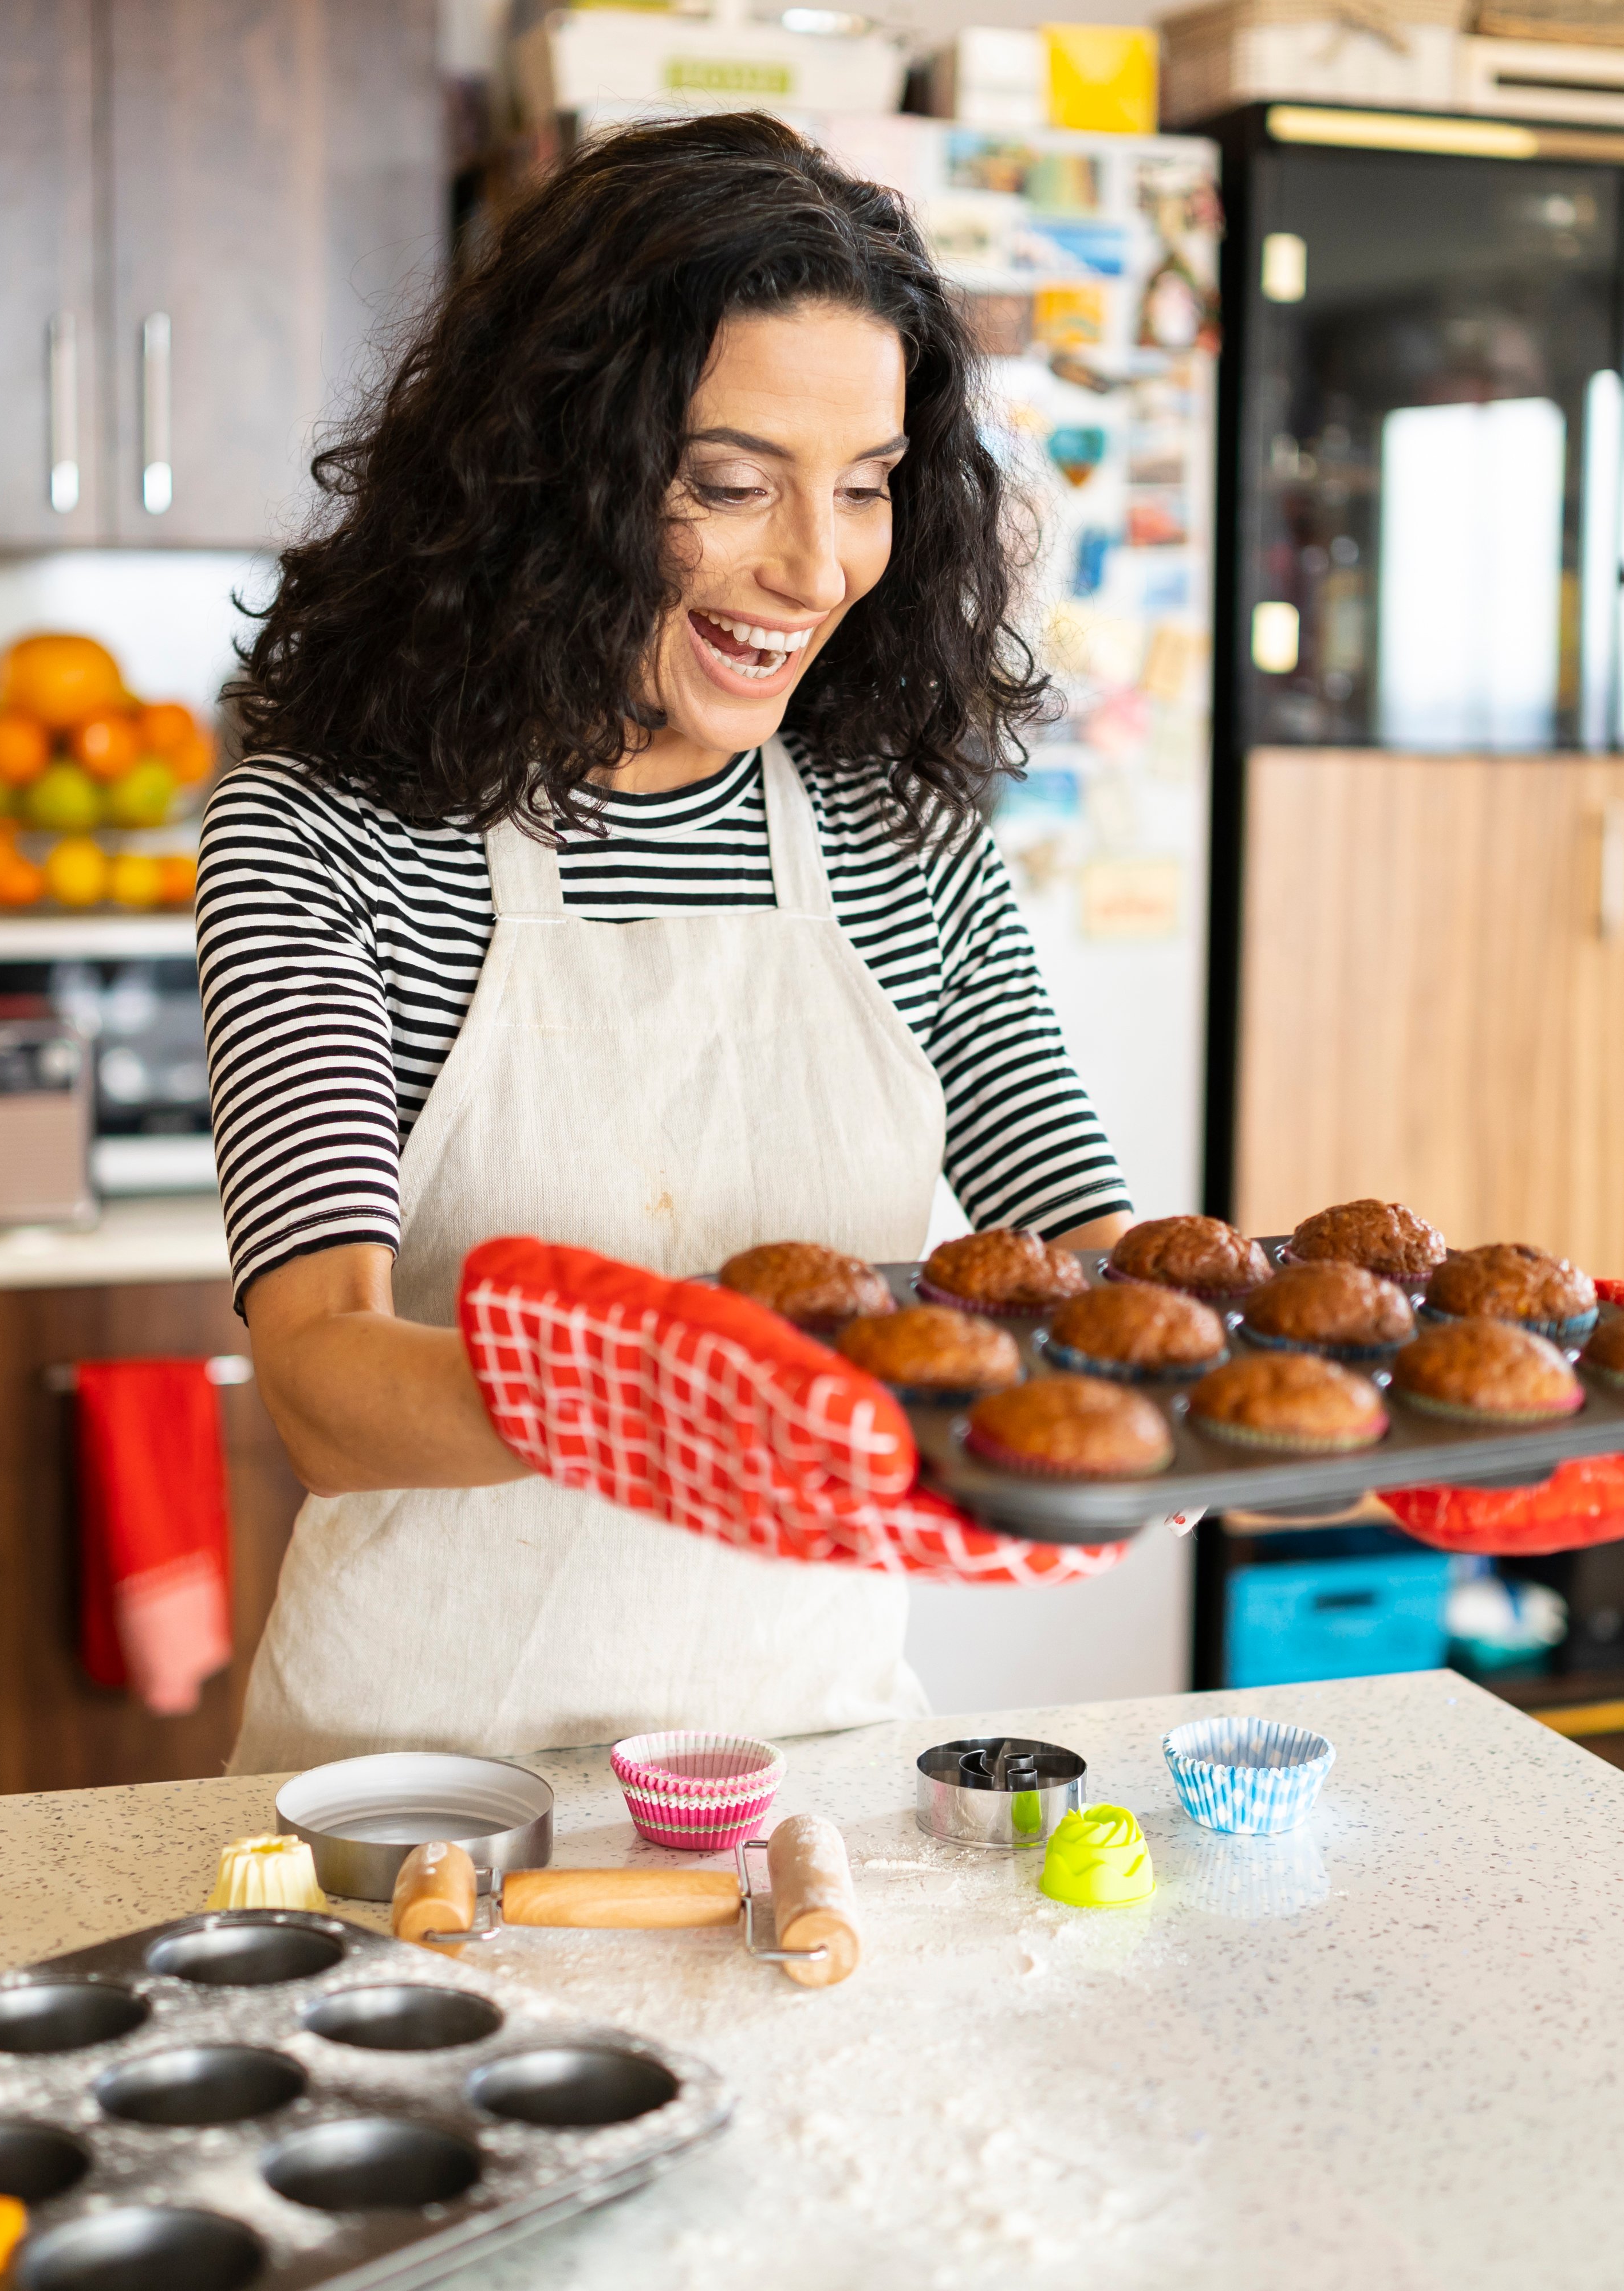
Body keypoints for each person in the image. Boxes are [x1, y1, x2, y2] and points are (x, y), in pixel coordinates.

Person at [198, 113, 1133, 1773]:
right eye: (729, 483)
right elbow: (327, 1388)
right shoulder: (331, 836)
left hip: (813, 1774)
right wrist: (665, 1397)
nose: (816, 563)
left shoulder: (903, 845)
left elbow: (1094, 1270)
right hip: (418, 1796)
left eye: (865, 488)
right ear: (557, 472)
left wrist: (1356, 1388)